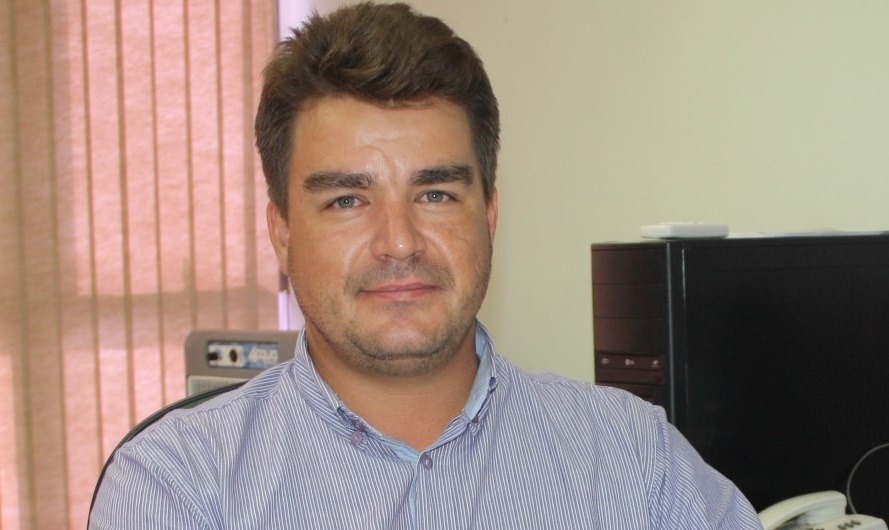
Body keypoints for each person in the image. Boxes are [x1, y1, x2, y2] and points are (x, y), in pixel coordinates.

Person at [89, 2, 763, 528]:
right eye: (347, 200)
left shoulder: (634, 462)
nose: (399, 242)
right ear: (282, 233)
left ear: (488, 216)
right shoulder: (179, 486)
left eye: (435, 194)